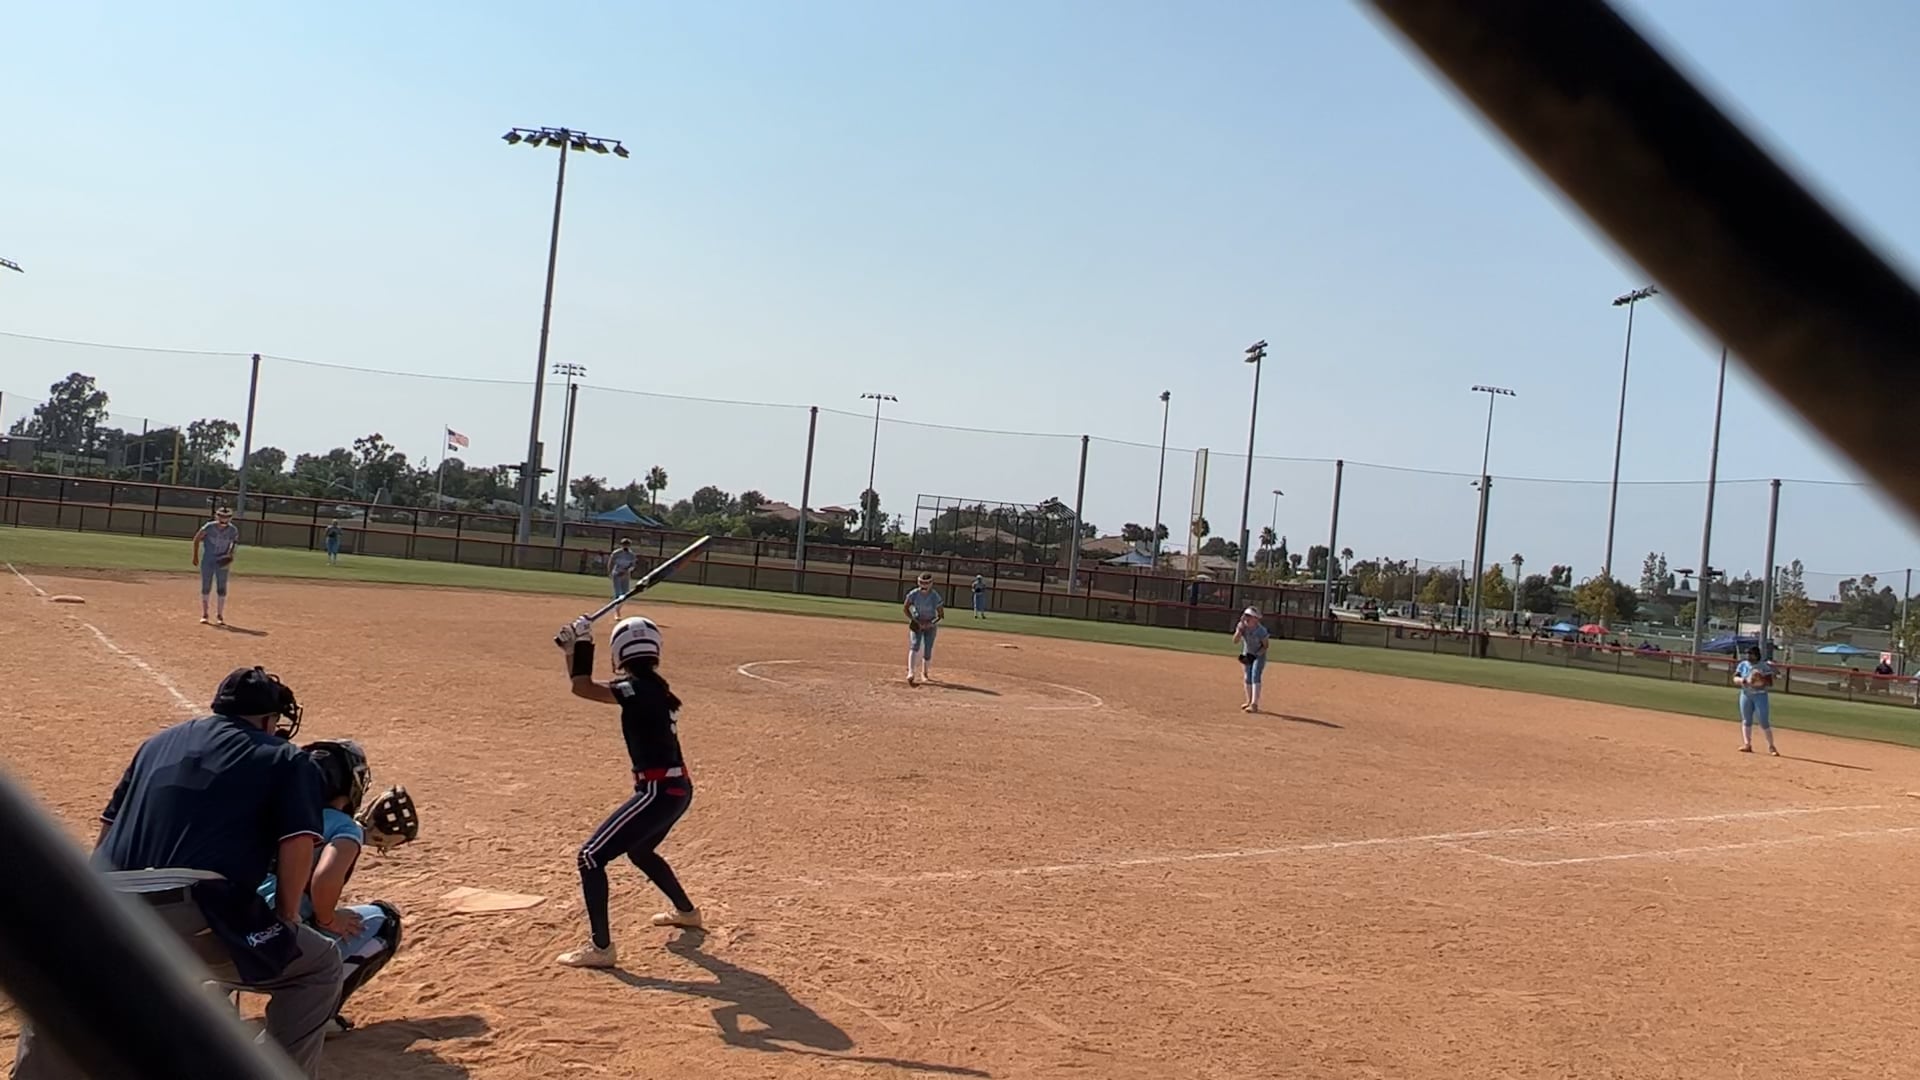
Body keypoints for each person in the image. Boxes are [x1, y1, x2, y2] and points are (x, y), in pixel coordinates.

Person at [12, 667, 344, 1079]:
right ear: (268, 719)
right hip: (194, 909)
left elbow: (107, 834)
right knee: (317, 968)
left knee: (69, 989)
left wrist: (91, 914)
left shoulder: (154, 745)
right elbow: (296, 843)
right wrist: (288, 917)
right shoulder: (286, 757)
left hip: (105, 905)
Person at [551, 614, 702, 969]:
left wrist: (583, 643)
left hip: (657, 791)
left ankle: (601, 948)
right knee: (640, 850)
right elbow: (582, 685)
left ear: (619, 653)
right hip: (676, 789)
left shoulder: (637, 689)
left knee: (590, 857)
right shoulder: (653, 687)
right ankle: (687, 912)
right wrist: (574, 648)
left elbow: (583, 687)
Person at [258, 740, 410, 1033]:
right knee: (386, 922)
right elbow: (324, 879)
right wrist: (329, 919)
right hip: (276, 946)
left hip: (222, 936)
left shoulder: (269, 811)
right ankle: (316, 1016)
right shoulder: (343, 826)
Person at [192, 505, 241, 625]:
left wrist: (230, 555)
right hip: (208, 559)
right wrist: (195, 556)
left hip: (222, 560)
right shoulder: (209, 527)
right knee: (206, 586)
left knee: (221, 587)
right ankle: (205, 614)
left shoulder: (233, 530)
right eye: (221, 516)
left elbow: (234, 543)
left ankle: (220, 615)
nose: (224, 519)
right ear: (216, 516)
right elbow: (197, 538)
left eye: (227, 516)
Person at [1735, 645, 1780, 755]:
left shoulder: (1763, 666)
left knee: (1763, 721)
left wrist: (1760, 679)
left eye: (1751, 654)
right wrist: (1743, 680)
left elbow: (1770, 683)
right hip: (1746, 695)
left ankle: (1771, 746)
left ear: (1756, 655)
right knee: (1746, 720)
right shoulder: (1743, 665)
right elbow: (1735, 678)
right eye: (1748, 653)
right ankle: (1747, 744)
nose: (1748, 656)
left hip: (1760, 695)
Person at [903, 572, 944, 685]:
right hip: (917, 622)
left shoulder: (935, 596)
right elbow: (905, 608)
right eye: (921, 582)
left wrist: (930, 624)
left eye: (926, 583)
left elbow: (940, 615)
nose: (923, 585)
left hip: (930, 624)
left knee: (928, 648)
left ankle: (924, 673)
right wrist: (914, 620)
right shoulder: (914, 594)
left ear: (931, 584)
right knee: (915, 644)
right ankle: (911, 672)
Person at [1233, 607, 1271, 713]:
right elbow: (1235, 641)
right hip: (1247, 653)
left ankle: (1254, 704)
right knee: (1247, 676)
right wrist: (1239, 631)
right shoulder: (1242, 626)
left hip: (1259, 655)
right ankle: (1248, 701)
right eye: (1245, 615)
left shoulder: (1261, 630)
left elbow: (1265, 646)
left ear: (1255, 618)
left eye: (1249, 616)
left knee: (1255, 675)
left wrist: (1256, 655)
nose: (1246, 617)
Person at [608, 539, 639, 617]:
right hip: (617, 574)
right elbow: (611, 563)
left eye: (627, 544)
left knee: (625, 594)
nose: (625, 546)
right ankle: (617, 612)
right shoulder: (616, 553)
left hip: (626, 575)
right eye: (624, 544)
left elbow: (633, 566)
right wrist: (610, 572)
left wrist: (626, 571)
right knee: (618, 593)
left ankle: (618, 608)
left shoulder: (631, 555)